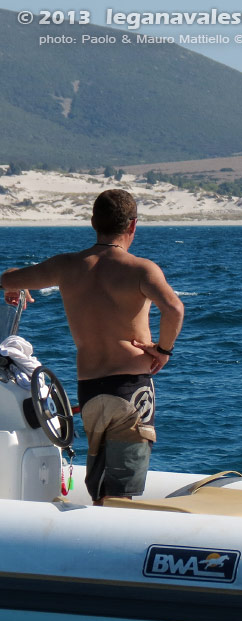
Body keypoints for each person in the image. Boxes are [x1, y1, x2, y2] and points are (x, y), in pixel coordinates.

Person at [1, 189, 184, 504]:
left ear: (92, 223)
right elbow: (174, 309)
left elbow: (9, 277)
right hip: (130, 388)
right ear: (133, 226)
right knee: (121, 493)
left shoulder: (67, 266)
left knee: (101, 491)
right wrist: (163, 351)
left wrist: (12, 287)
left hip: (90, 390)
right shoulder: (141, 269)